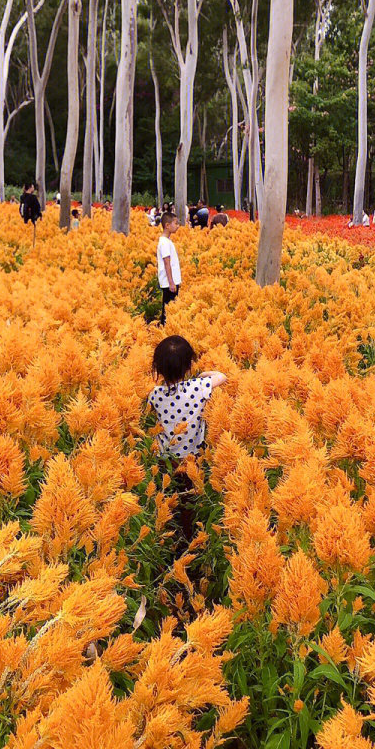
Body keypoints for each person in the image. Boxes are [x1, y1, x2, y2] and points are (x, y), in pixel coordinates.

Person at [148, 335, 227, 549]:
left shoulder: (155, 395)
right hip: (192, 456)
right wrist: (203, 374)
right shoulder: (199, 386)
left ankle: (167, 534)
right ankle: (188, 537)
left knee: (166, 495)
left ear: (157, 368)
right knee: (190, 496)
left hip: (166, 457)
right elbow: (222, 376)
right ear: (189, 366)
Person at [157, 212, 181, 324]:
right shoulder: (164, 243)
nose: (178, 225)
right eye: (175, 223)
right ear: (167, 225)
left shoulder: (166, 241)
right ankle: (164, 331)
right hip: (169, 283)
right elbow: (167, 263)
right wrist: (171, 282)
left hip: (171, 281)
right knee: (168, 310)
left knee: (170, 309)